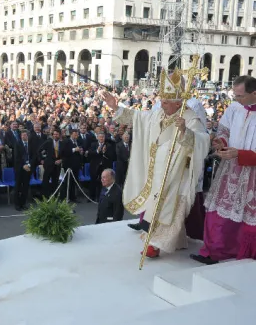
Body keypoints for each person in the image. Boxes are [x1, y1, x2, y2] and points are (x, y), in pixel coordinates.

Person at [102, 67, 210, 258]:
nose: (162, 104)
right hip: (155, 170)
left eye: (167, 101)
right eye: (162, 99)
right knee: (156, 206)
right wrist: (115, 107)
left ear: (178, 103)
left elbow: (203, 141)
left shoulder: (190, 117)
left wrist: (186, 132)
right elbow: (137, 118)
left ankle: (154, 244)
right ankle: (175, 240)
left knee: (168, 208)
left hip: (175, 173)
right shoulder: (157, 113)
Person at [192, 75, 256, 264]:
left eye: (240, 96)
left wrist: (241, 154)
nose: (236, 100)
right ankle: (214, 251)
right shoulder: (235, 108)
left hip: (252, 174)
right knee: (217, 213)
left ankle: (244, 256)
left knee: (246, 218)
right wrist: (221, 143)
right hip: (231, 169)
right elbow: (225, 130)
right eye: (234, 95)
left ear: (254, 93)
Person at [14, 130, 33, 210]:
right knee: (18, 186)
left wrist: (29, 164)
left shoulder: (31, 144)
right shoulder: (17, 144)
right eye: (22, 135)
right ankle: (17, 204)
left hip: (28, 168)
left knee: (25, 186)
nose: (23, 137)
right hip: (20, 168)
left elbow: (33, 155)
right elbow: (16, 157)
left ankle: (23, 203)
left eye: (25, 135)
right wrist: (23, 165)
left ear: (27, 136)